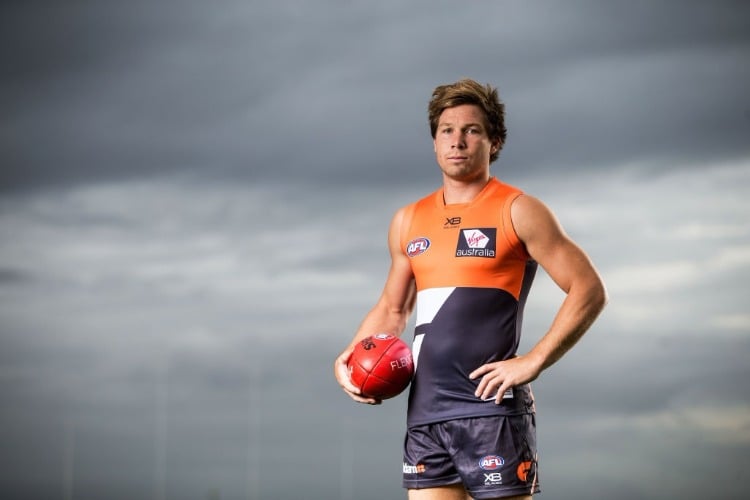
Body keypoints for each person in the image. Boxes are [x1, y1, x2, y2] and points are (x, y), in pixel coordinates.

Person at [334, 78, 608, 500]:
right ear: (434, 142)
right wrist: (352, 355)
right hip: (426, 412)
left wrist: (533, 360)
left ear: (494, 142)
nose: (457, 141)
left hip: (490, 410)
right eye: (447, 130)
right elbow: (393, 309)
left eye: (472, 130)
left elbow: (589, 288)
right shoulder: (408, 220)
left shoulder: (519, 210)